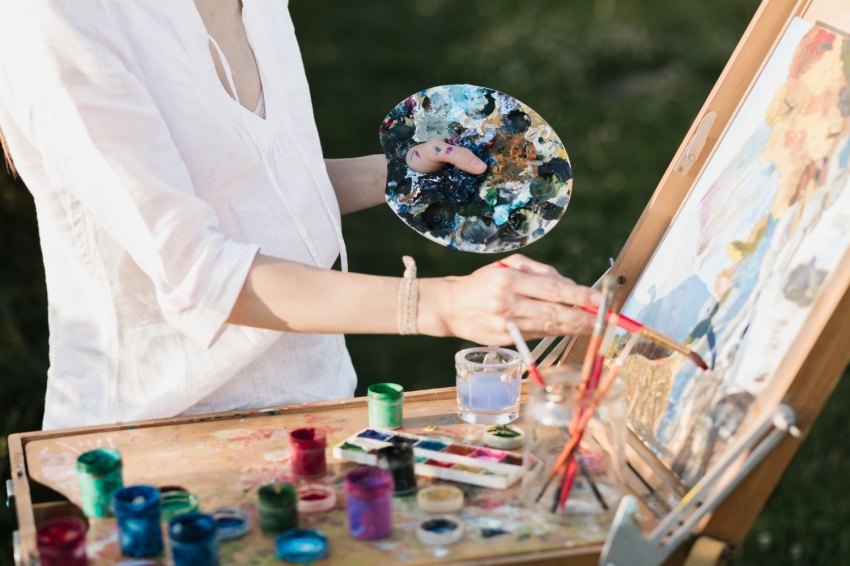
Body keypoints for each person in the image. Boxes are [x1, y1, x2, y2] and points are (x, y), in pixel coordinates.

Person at [0, 0, 599, 430]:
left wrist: (404, 174)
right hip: (155, 443)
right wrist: (440, 304)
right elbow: (199, 271)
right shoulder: (56, 16)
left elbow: (254, 190)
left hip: (318, 413)